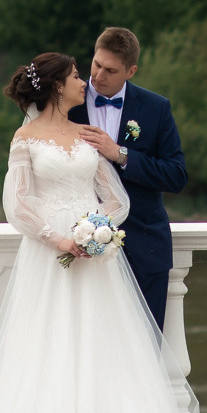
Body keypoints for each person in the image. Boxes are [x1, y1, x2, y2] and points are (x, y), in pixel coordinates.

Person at [0, 50, 199, 413]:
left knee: (105, 346)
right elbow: (18, 204)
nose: (84, 81)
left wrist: (97, 233)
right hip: (50, 256)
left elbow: (117, 199)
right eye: (75, 75)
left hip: (96, 259)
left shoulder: (87, 135)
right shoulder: (25, 139)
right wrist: (59, 239)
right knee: (49, 347)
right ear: (56, 86)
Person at [69, 26, 186, 330]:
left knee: (146, 346)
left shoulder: (156, 108)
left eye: (110, 70)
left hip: (144, 247)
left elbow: (176, 175)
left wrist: (120, 154)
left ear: (131, 71)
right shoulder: (66, 103)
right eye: (96, 64)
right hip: (80, 248)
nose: (98, 75)